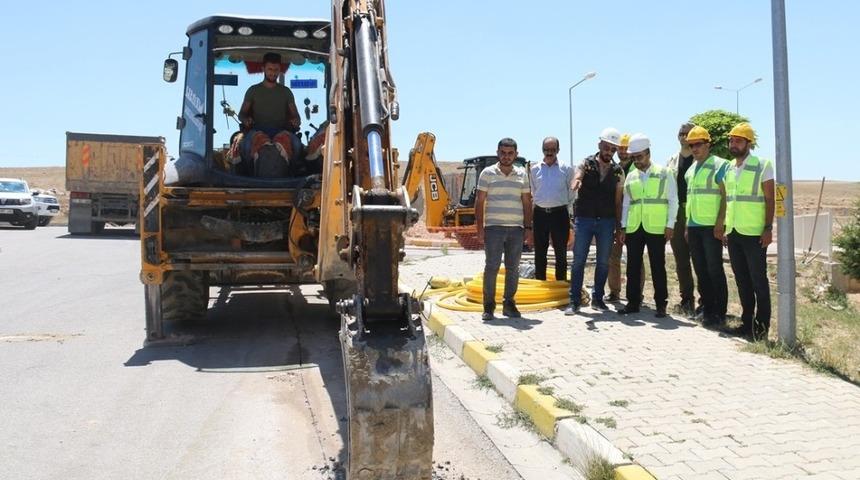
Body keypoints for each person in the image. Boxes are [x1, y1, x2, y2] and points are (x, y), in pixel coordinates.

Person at [617, 134, 678, 317]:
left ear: (649, 153)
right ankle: (633, 303)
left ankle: (661, 304)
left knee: (657, 265)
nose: (637, 161)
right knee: (632, 266)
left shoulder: (664, 172)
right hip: (635, 227)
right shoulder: (631, 176)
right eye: (634, 158)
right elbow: (627, 203)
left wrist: (670, 225)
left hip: (656, 227)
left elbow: (673, 200)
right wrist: (623, 226)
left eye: (640, 157)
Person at [565, 128, 625, 315]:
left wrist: (619, 226)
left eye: (612, 149)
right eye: (606, 147)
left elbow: (618, 202)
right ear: (599, 145)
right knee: (579, 261)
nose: (609, 152)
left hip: (606, 222)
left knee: (603, 262)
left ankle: (598, 298)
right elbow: (577, 175)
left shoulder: (618, 172)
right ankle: (574, 301)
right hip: (584, 220)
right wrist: (576, 183)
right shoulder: (586, 163)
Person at [723, 123, 775, 340]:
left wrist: (768, 228)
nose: (734, 144)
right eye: (732, 140)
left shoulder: (762, 165)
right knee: (742, 280)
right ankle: (746, 323)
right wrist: (725, 228)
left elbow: (770, 198)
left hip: (754, 234)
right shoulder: (728, 168)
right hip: (734, 232)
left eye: (738, 141)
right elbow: (729, 201)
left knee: (758, 281)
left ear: (748, 143)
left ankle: (761, 328)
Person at [476, 138, 533, 321]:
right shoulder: (487, 173)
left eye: (510, 153)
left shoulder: (522, 174)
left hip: (515, 229)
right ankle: (489, 307)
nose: (506, 156)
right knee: (492, 267)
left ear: (515, 154)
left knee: (513, 268)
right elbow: (480, 201)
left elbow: (526, 202)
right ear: (497, 153)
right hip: (493, 228)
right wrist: (480, 228)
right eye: (503, 153)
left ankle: (509, 304)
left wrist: (528, 228)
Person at [684, 126, 729, 326]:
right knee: (700, 269)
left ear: (708, 144)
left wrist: (721, 222)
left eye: (698, 144)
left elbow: (725, 196)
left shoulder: (720, 165)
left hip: (711, 227)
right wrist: (687, 225)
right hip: (694, 226)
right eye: (691, 145)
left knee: (714, 269)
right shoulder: (691, 170)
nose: (694, 148)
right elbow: (691, 199)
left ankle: (719, 311)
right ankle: (707, 308)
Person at [238, 52, 303, 166]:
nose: (273, 73)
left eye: (276, 69)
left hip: (281, 130)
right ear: (263, 69)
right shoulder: (253, 90)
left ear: (280, 70)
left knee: (297, 145)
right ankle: (249, 174)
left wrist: (296, 120)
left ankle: (291, 172)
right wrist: (245, 120)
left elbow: (296, 115)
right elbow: (241, 114)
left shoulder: (286, 92)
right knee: (246, 146)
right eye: (270, 69)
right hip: (257, 130)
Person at [667, 122, 701, 316]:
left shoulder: (700, 160)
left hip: (695, 212)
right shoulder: (672, 160)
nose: (683, 136)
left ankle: (706, 301)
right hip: (677, 213)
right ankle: (687, 300)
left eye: (687, 133)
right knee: (681, 259)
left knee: (699, 259)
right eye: (681, 133)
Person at [607, 133, 644, 302]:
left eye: (625, 148)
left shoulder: (638, 169)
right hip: (615, 218)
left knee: (635, 258)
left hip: (633, 219)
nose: (622, 151)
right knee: (613, 257)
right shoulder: (611, 168)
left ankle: (637, 293)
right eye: (620, 148)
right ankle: (615, 292)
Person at [530, 137, 574, 281]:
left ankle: (561, 283)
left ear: (558, 150)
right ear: (542, 150)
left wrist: (567, 211)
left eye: (552, 150)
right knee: (540, 251)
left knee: (560, 251)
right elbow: (533, 192)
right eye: (546, 150)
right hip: (540, 214)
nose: (549, 153)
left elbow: (572, 193)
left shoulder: (566, 169)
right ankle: (540, 283)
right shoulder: (534, 169)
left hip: (559, 214)